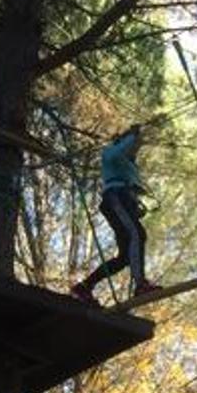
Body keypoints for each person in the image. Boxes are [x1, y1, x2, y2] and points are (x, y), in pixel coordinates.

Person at [71, 125, 161, 303]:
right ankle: (141, 284)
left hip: (121, 199)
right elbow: (116, 153)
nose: (134, 151)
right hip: (116, 197)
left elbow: (131, 181)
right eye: (132, 147)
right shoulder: (111, 153)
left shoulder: (127, 164)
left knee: (125, 257)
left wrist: (137, 204)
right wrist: (132, 135)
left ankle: (85, 287)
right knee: (137, 234)